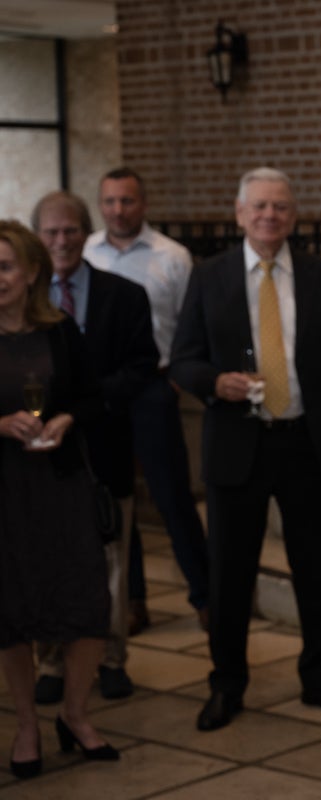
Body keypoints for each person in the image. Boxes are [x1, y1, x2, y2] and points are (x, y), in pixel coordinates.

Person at [170, 167, 321, 731]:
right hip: (238, 443)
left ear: (293, 215)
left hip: (309, 445)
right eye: (258, 206)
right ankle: (227, 684)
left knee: (317, 570)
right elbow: (183, 358)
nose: (269, 216)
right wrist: (215, 383)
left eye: (280, 206)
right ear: (239, 214)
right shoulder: (209, 277)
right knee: (230, 574)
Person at [0, 220, 120, 779]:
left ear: (29, 273)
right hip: (6, 494)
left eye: (3, 267)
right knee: (12, 611)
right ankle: (26, 723)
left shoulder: (62, 331)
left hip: (63, 486)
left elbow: (94, 400)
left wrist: (68, 417)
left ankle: (75, 715)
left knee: (86, 603)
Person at [31, 192, 158, 705]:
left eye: (70, 231)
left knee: (111, 560)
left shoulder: (124, 296)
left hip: (104, 446)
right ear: (37, 238)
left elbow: (141, 369)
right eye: (51, 233)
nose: (61, 242)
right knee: (47, 560)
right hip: (38, 456)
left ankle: (110, 659)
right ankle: (51, 662)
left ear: (88, 234)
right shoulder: (22, 302)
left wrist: (83, 408)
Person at [84, 166, 210, 637]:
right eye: (110, 201)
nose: (119, 210)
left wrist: (175, 380)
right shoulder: (85, 253)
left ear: (144, 204)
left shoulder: (173, 257)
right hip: (104, 392)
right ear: (101, 204)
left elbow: (190, 327)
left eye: (128, 201)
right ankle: (133, 600)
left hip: (155, 387)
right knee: (118, 501)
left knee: (172, 495)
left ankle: (206, 596)